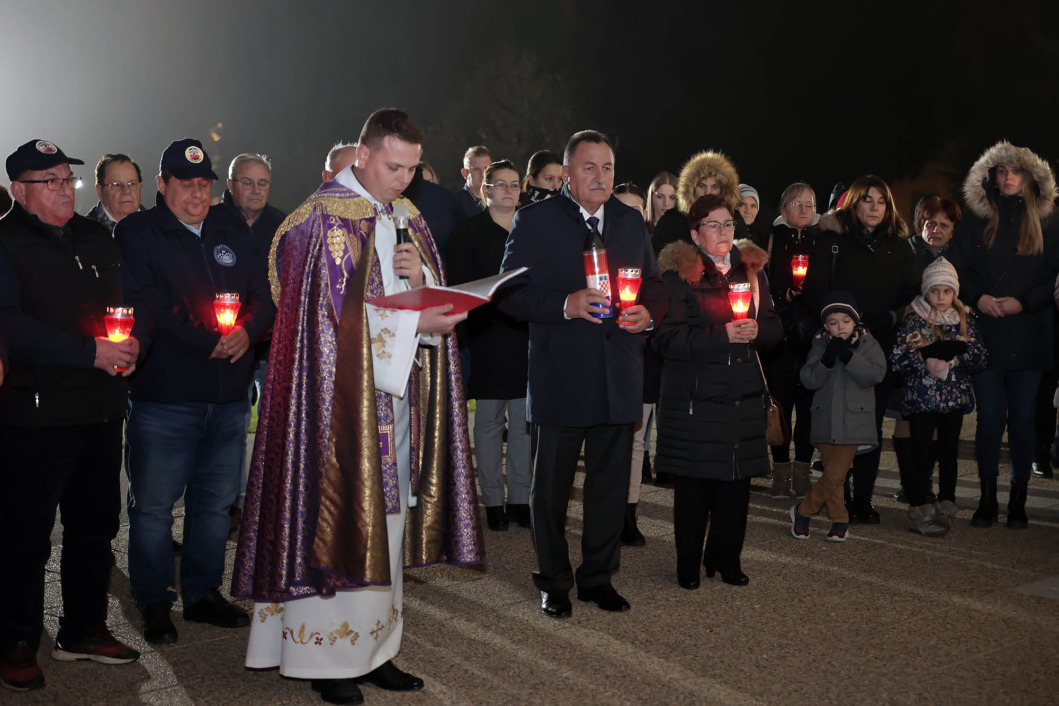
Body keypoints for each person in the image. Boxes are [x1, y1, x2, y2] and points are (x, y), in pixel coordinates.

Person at [232, 109, 484, 705]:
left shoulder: (405, 215)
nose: (404, 179)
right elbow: (323, 331)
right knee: (340, 518)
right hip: (330, 414)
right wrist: (412, 320)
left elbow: (406, 304)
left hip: (394, 402)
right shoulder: (315, 222)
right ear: (363, 156)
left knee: (387, 524)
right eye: (394, 166)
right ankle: (326, 659)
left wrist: (421, 286)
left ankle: (377, 649)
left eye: (412, 169)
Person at [498, 129, 664, 619]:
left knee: (610, 488)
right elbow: (507, 295)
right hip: (561, 376)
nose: (600, 176)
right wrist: (564, 305)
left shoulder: (632, 221)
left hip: (619, 372)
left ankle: (597, 577)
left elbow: (654, 284)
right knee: (550, 489)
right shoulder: (535, 221)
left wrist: (648, 317)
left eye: (608, 167)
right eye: (589, 167)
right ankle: (554, 581)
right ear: (566, 174)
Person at [116, 138, 275, 646]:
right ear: (161, 185)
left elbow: (265, 292)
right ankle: (154, 601)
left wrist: (249, 331)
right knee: (155, 508)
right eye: (185, 185)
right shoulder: (139, 232)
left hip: (228, 397)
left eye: (203, 184)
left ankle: (203, 593)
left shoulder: (231, 227)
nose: (196, 194)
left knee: (213, 506)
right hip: (167, 395)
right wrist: (207, 342)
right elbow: (146, 303)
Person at [0, 139, 141, 693]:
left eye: (68, 179)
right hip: (36, 412)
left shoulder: (94, 234)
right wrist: (91, 352)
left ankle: (83, 629)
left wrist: (130, 344)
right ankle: (15, 641)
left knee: (94, 527)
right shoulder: (6, 240)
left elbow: (123, 303)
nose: (65, 189)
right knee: (25, 534)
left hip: (101, 408)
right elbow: (12, 325)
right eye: (51, 181)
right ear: (21, 191)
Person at [653, 194, 782, 588]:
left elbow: (776, 324)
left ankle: (727, 559)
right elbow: (665, 339)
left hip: (741, 394)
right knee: (693, 490)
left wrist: (760, 331)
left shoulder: (753, 272)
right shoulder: (679, 277)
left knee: (736, 488)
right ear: (694, 233)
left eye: (729, 224)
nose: (724, 232)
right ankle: (688, 565)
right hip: (695, 398)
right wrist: (721, 334)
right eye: (713, 225)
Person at [947, 140, 1059, 529]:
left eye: (1016, 170)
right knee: (990, 417)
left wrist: (1024, 302)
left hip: (1030, 333)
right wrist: (980, 298)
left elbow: (1053, 277)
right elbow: (957, 269)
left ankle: (1018, 499)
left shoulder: (1049, 220)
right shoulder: (976, 219)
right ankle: (988, 498)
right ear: (991, 176)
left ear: (1031, 176)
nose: (1009, 177)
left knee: (1025, 418)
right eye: (1001, 170)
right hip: (987, 333)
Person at [802, 175, 918, 523]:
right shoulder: (832, 241)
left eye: (881, 201)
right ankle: (839, 495)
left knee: (870, 423)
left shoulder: (899, 246)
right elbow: (813, 291)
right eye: (867, 199)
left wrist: (892, 316)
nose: (874, 207)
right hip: (836, 344)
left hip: (875, 346)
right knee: (838, 422)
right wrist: (835, 328)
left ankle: (862, 498)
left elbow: (911, 293)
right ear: (853, 203)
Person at [447, 160, 531, 532]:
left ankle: (521, 500)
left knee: (524, 424)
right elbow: (459, 288)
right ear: (486, 189)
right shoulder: (467, 232)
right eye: (501, 185)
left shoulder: (530, 230)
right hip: (486, 336)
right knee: (489, 422)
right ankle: (493, 501)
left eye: (515, 185)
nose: (509, 191)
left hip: (526, 335)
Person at [890, 258, 987, 535]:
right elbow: (897, 360)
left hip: (953, 399)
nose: (941, 297)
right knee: (921, 452)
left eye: (947, 291)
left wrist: (960, 355)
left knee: (949, 453)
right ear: (925, 291)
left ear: (954, 292)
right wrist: (924, 354)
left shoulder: (965, 319)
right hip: (921, 399)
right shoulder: (914, 319)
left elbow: (981, 358)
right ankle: (920, 506)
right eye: (935, 291)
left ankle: (947, 504)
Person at [221, 153, 288, 523]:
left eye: (263, 183)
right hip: (230, 341)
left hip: (272, 341)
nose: (256, 190)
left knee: (275, 424)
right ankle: (229, 502)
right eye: (247, 182)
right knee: (230, 425)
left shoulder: (283, 224)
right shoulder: (214, 222)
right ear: (230, 184)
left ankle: (270, 500)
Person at [791, 291, 886, 542]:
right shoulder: (820, 344)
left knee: (836, 473)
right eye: (833, 322)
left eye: (845, 320)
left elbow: (876, 374)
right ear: (826, 326)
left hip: (855, 421)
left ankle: (804, 511)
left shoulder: (868, 343)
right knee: (834, 473)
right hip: (825, 419)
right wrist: (827, 360)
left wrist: (848, 356)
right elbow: (808, 379)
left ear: (856, 321)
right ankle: (840, 519)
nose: (840, 327)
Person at [761, 183, 821, 499]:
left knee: (808, 408)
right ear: (783, 209)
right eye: (795, 203)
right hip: (780, 336)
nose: (801, 209)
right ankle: (780, 473)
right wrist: (780, 297)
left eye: (808, 204)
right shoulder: (772, 240)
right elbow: (762, 281)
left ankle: (802, 472)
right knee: (780, 407)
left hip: (812, 336)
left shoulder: (822, 242)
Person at [650, 150, 751, 254]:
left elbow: (749, 261)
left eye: (715, 187)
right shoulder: (671, 220)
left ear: (723, 190)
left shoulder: (734, 218)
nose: (708, 192)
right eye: (701, 186)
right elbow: (652, 263)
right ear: (691, 188)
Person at [87, 153, 144, 232]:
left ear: (140, 186)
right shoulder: (82, 235)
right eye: (116, 185)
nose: (126, 191)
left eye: (132, 184)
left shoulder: (159, 227)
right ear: (99, 190)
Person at [456, 145, 490, 218]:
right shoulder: (454, 204)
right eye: (476, 169)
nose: (483, 174)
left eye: (487, 168)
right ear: (465, 173)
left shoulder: (501, 199)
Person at [646, 171, 678, 236]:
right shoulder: (641, 229)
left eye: (672, 197)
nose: (666, 203)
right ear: (651, 197)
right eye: (660, 197)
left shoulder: (685, 231)